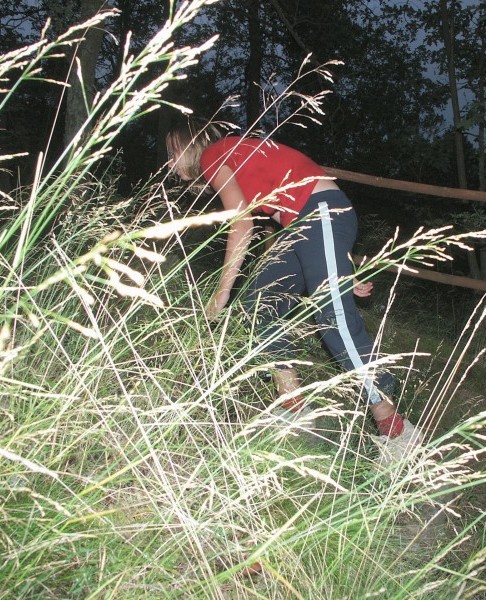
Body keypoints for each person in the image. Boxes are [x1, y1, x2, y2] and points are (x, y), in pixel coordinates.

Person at [166, 120, 420, 462]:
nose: (170, 162)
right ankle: (293, 407)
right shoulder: (233, 158)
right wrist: (340, 269)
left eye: (173, 153)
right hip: (306, 222)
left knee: (333, 317)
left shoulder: (213, 155)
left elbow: (242, 225)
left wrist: (221, 293)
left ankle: (397, 431)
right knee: (261, 302)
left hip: (319, 214)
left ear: (191, 146)